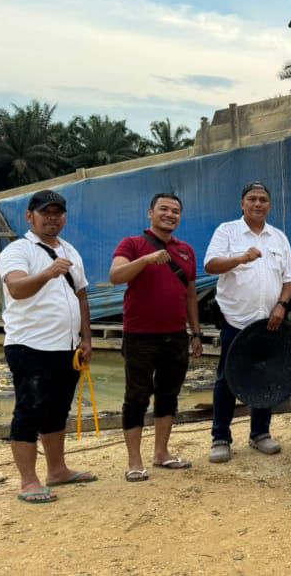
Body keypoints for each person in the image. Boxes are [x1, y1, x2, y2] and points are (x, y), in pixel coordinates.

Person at [0, 189, 95, 503]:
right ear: (30, 216)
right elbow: (16, 289)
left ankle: (58, 470)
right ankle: (28, 481)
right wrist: (48, 273)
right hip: (29, 345)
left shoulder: (71, 250)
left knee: (57, 409)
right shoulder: (18, 250)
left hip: (66, 347)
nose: (52, 218)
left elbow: (81, 295)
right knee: (29, 410)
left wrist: (86, 338)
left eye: (57, 213)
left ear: (64, 216)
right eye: (45, 213)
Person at [204, 181, 291, 463]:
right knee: (226, 378)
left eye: (263, 200)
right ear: (242, 204)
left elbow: (290, 278)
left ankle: (260, 433)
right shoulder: (227, 231)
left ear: (269, 205)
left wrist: (282, 305)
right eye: (252, 199)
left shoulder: (278, 237)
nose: (258, 204)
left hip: (269, 321)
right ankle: (220, 437)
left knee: (267, 375)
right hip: (235, 319)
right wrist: (240, 258)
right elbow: (210, 265)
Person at [109, 193, 202, 482]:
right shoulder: (132, 244)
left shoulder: (185, 250)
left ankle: (161, 452)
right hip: (140, 335)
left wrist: (196, 332)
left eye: (175, 211)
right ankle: (134, 460)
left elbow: (189, 294)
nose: (170, 214)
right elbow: (116, 275)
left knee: (168, 394)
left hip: (175, 335)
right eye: (163, 209)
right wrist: (147, 260)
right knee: (136, 396)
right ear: (150, 212)